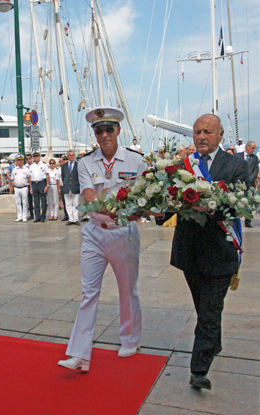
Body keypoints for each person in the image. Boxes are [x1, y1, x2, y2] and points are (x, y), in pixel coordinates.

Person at [156, 114, 248, 391]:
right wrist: (158, 212)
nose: (201, 137)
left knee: (209, 310)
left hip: (221, 250)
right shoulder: (183, 165)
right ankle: (213, 342)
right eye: (197, 132)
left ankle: (199, 370)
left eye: (207, 132)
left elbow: (241, 204)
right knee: (203, 307)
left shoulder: (236, 165)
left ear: (220, 135)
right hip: (190, 251)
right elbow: (169, 200)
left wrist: (211, 208)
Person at [58, 106, 146, 372]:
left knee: (126, 289)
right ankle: (80, 354)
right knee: (88, 293)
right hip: (95, 233)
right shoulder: (86, 162)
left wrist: (135, 212)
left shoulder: (136, 161)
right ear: (94, 134)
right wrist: (102, 208)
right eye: (99, 130)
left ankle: (130, 338)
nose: (104, 134)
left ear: (118, 131)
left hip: (123, 232)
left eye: (109, 129)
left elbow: (143, 195)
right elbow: (87, 193)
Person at [236, 141, 259, 228]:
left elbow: (256, 169)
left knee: (249, 202)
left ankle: (248, 220)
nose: (254, 150)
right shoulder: (237, 156)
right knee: (237, 201)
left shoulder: (255, 158)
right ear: (248, 147)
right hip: (239, 183)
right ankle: (236, 218)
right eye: (253, 148)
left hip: (250, 183)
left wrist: (250, 179)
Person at [61, 150, 81, 226]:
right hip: (67, 187)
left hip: (75, 186)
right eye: (70, 155)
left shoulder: (78, 165)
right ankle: (70, 219)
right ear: (68, 156)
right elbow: (63, 176)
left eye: (73, 155)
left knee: (75, 203)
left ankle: (75, 219)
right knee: (68, 204)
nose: (71, 156)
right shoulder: (64, 166)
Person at [29, 151, 50, 223]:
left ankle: (43, 217)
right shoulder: (31, 166)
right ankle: (37, 217)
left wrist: (47, 185)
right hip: (34, 183)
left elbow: (47, 175)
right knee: (36, 201)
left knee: (43, 201)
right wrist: (31, 187)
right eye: (34, 156)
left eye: (37, 156)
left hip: (42, 183)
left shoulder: (44, 165)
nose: (36, 158)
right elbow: (30, 177)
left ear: (39, 157)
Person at [10, 154, 30, 222]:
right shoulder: (14, 170)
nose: (21, 161)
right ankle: (19, 216)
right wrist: (13, 188)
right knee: (18, 203)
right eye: (19, 160)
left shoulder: (26, 169)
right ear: (17, 161)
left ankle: (24, 216)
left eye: (21, 160)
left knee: (24, 203)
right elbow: (12, 179)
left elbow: (29, 178)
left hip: (24, 187)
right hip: (17, 188)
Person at [25, 154, 35, 220]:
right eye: (27, 159)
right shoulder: (25, 167)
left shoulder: (34, 165)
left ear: (32, 158)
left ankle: (37, 214)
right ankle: (31, 214)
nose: (28, 160)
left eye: (29, 158)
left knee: (37, 200)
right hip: (28, 185)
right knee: (30, 201)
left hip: (35, 184)